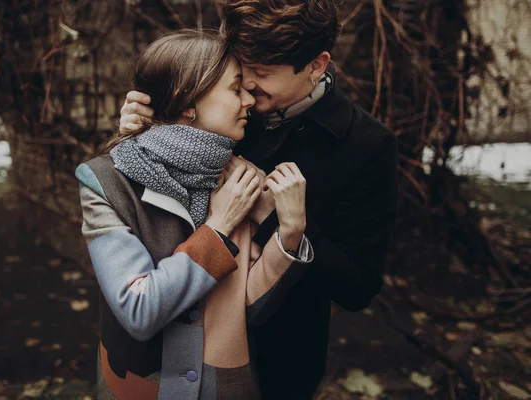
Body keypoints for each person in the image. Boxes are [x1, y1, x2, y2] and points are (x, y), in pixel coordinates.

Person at [119, 0, 399, 398]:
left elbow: (358, 287)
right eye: (241, 66)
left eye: (263, 73)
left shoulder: (366, 146)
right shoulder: (220, 101)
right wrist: (144, 136)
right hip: (171, 349)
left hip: (279, 364)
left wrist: (282, 223)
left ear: (317, 66)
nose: (246, 84)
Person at [76, 29, 314, 400]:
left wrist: (291, 232)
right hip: (137, 387)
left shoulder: (240, 180)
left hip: (225, 388)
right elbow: (138, 310)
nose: (250, 99)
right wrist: (218, 228)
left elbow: (250, 306)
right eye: (236, 89)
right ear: (189, 103)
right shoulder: (105, 183)